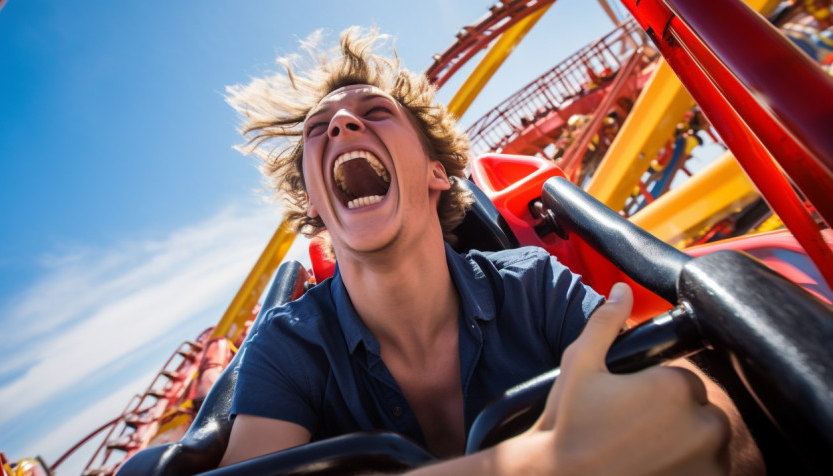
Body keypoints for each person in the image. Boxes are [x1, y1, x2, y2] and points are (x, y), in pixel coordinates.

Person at [219, 27, 762, 474]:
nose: (341, 123)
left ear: (438, 172)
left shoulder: (533, 283)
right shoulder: (289, 343)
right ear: (314, 203)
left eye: (376, 112)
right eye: (320, 128)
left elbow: (707, 419)